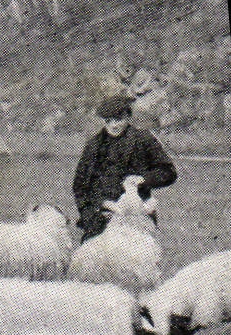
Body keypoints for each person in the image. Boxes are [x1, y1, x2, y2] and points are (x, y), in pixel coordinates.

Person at [72, 94, 176, 241]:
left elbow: (168, 172)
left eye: (118, 120)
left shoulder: (143, 139)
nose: (113, 126)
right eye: (108, 121)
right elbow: (80, 187)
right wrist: (98, 206)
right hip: (101, 218)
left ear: (127, 117)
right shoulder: (94, 145)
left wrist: (143, 179)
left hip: (137, 215)